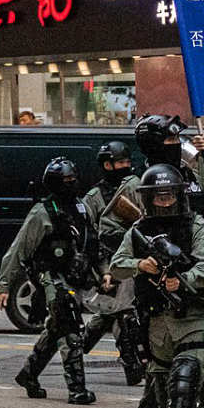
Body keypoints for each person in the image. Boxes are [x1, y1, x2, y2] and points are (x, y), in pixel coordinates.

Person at [109, 164, 204, 408]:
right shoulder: (138, 230)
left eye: (170, 194)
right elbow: (116, 266)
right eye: (158, 195)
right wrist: (140, 264)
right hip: (157, 320)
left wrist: (182, 280)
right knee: (161, 389)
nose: (165, 200)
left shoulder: (195, 224)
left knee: (185, 378)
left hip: (195, 316)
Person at [0, 157, 97, 405]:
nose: (71, 184)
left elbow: (92, 244)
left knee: (56, 329)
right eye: (65, 181)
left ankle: (28, 373)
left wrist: (103, 272)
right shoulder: (42, 213)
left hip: (75, 276)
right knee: (70, 327)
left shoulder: (81, 208)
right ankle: (77, 389)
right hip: (50, 278)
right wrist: (3, 285)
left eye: (73, 179)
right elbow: (18, 250)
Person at [81, 141, 144, 386]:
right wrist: (102, 268)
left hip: (133, 256)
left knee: (112, 311)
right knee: (122, 313)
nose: (125, 167)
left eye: (127, 162)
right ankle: (132, 367)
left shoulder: (135, 186)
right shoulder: (94, 197)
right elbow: (89, 234)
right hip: (109, 259)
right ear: (107, 165)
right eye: (120, 163)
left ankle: (78, 348)